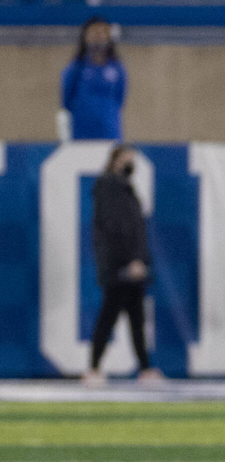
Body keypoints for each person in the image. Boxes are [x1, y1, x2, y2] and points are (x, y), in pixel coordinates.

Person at [83, 145, 160, 387]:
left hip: (130, 264)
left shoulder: (125, 188)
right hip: (119, 266)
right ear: (115, 160)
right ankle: (94, 368)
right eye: (127, 159)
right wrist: (131, 260)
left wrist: (140, 259)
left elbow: (135, 229)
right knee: (109, 316)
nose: (130, 163)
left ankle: (145, 368)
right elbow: (117, 227)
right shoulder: (109, 186)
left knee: (137, 319)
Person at [59, 18, 126, 142]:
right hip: (82, 133)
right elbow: (66, 100)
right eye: (94, 32)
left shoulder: (117, 68)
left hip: (109, 131)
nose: (98, 36)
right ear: (85, 36)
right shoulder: (76, 68)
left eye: (102, 32)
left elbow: (120, 98)